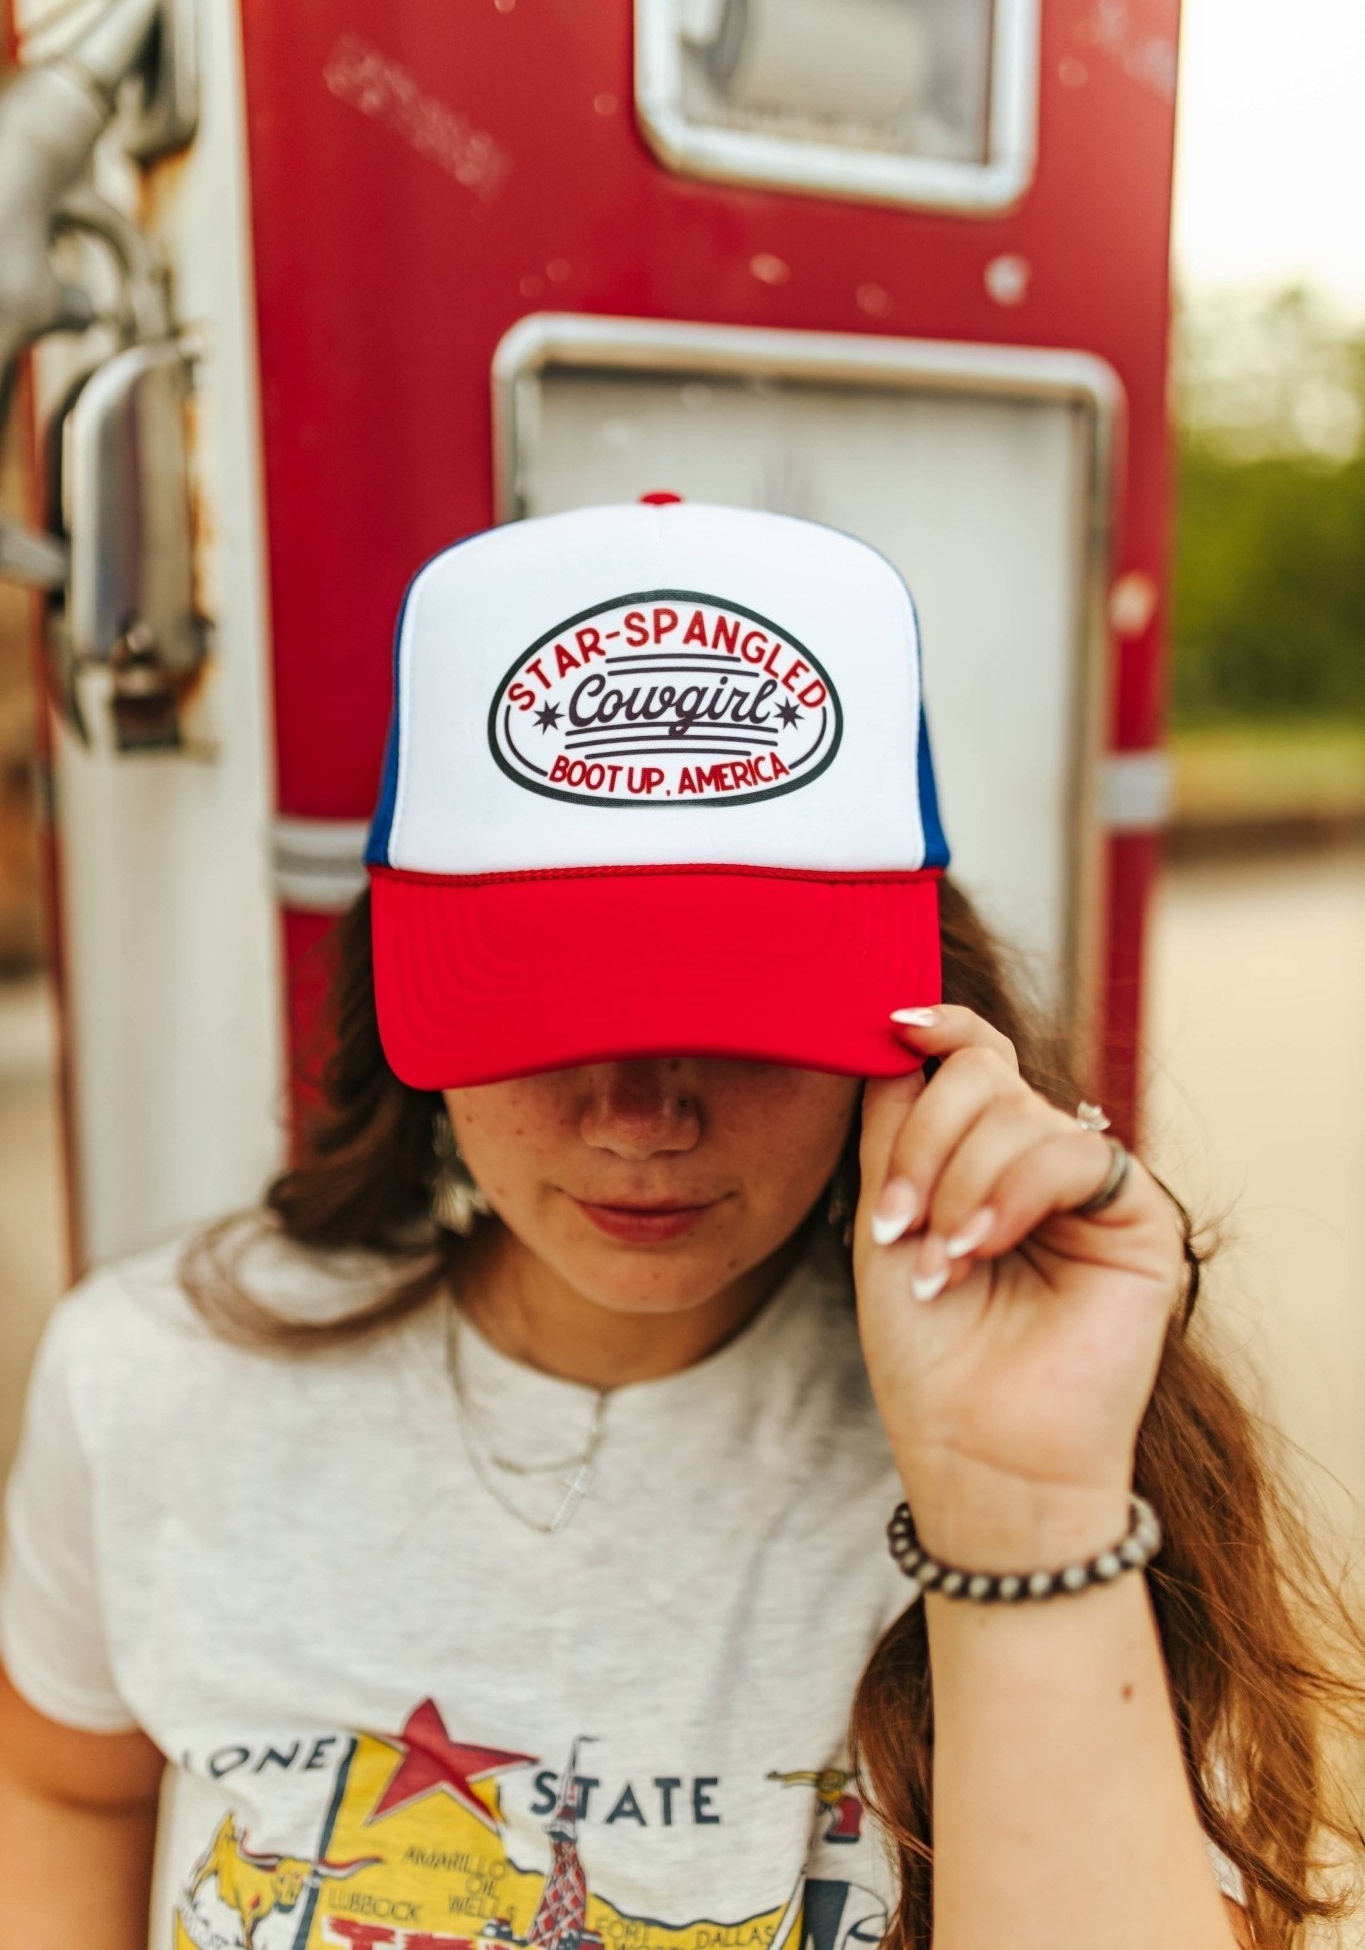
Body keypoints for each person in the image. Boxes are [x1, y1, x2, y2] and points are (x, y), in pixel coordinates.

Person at [1, 501, 1360, 1950]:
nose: (643, 1118)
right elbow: (67, 1786)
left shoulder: (1073, 1445)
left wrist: (1019, 1507)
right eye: (552, 1013)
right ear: (396, 992)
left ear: (911, 1017)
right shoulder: (156, 1374)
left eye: (740, 1020)